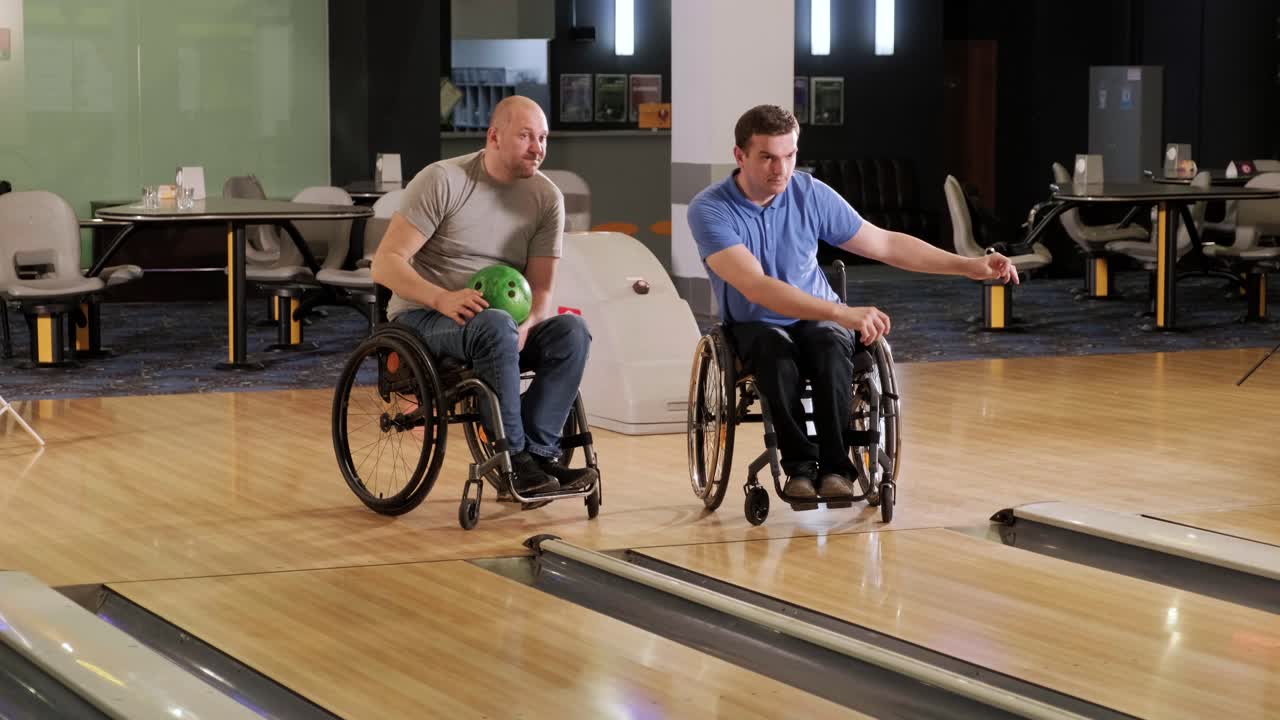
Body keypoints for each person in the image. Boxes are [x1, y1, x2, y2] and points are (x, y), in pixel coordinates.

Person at [687, 104, 1018, 501]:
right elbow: (757, 287)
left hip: (821, 319)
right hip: (756, 323)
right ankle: (799, 469)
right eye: (768, 158)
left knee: (829, 343)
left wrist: (967, 265)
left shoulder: (810, 194)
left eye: (790, 155)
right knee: (774, 350)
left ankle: (836, 469)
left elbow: (884, 243)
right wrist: (841, 311)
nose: (782, 169)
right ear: (740, 156)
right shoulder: (710, 209)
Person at [371, 95, 595, 497]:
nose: (538, 148)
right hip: (424, 318)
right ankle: (513, 457)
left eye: (543, 138)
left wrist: (530, 323)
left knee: (573, 331)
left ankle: (540, 454)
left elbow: (541, 287)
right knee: (494, 324)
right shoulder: (443, 180)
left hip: (499, 325)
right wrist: (442, 298)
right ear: (494, 136)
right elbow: (385, 264)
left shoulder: (547, 199)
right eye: (526, 136)